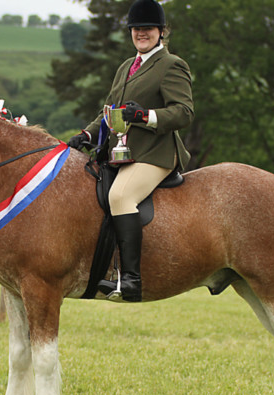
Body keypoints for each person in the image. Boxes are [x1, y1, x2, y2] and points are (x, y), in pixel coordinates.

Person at [68, 0, 194, 302]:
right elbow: (110, 111)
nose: (142, 33)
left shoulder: (171, 65)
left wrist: (146, 116)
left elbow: (184, 112)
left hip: (156, 153)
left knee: (120, 196)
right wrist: (87, 133)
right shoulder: (126, 66)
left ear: (161, 32)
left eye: (148, 28)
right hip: (121, 154)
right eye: (136, 28)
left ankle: (132, 281)